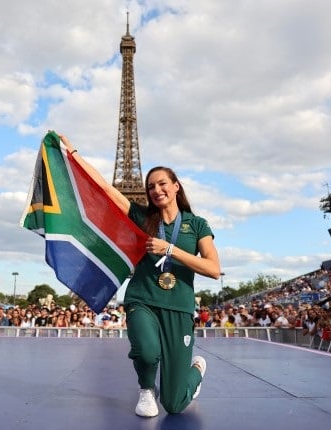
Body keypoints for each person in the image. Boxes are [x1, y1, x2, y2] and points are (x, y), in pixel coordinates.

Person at [59, 134, 220, 418]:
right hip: (142, 298)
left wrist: (170, 249)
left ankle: (194, 372)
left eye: (162, 184)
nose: (156, 190)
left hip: (179, 306)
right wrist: (73, 155)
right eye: (150, 187)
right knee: (146, 351)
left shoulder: (196, 225)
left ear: (176, 187)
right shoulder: (143, 217)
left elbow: (213, 269)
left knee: (175, 405)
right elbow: (106, 190)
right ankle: (146, 388)